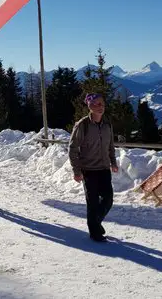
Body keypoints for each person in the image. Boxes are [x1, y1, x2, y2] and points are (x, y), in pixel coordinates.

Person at [68, 93, 119, 242]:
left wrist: (113, 162)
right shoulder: (82, 125)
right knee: (93, 202)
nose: (100, 107)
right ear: (89, 106)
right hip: (88, 170)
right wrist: (76, 171)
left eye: (102, 103)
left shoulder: (107, 124)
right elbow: (73, 148)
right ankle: (95, 233)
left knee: (108, 200)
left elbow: (110, 146)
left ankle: (95, 223)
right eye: (96, 104)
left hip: (104, 168)